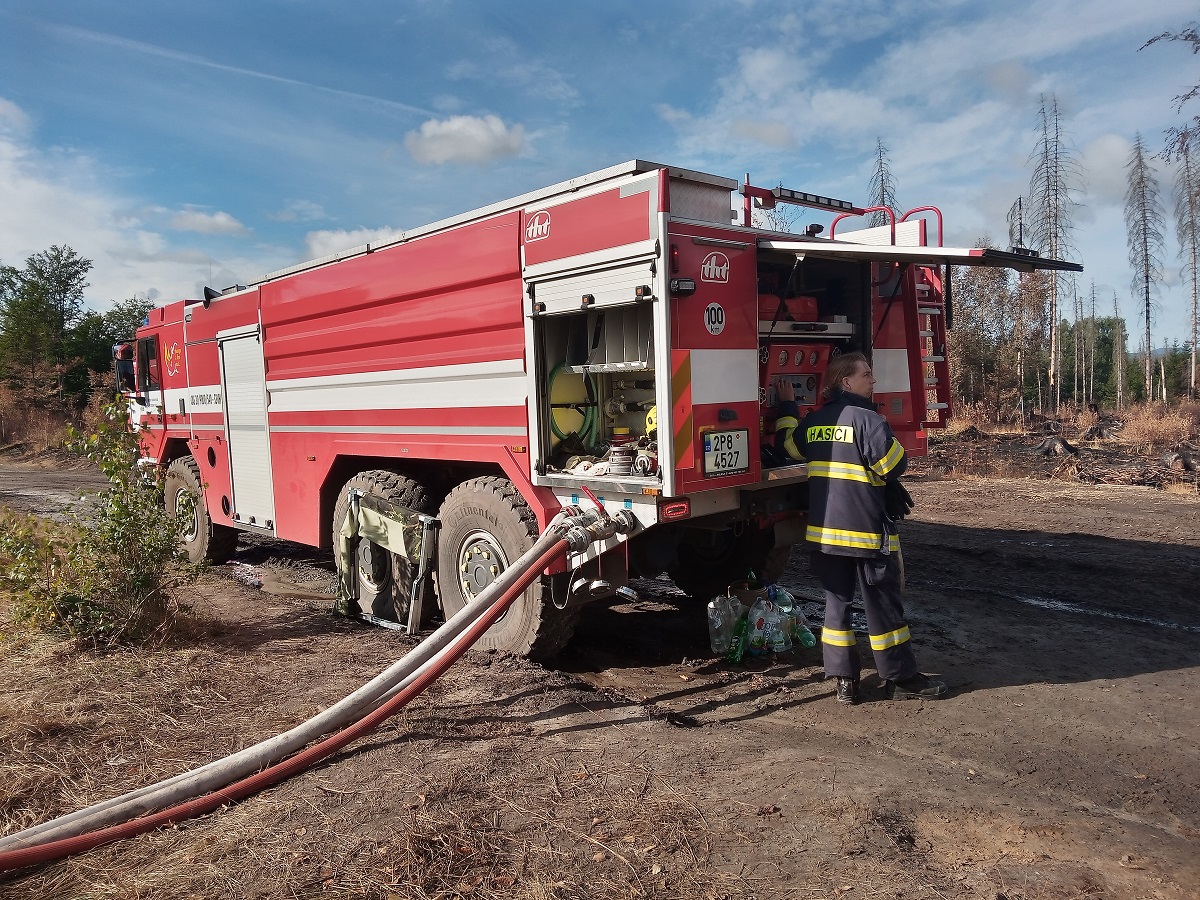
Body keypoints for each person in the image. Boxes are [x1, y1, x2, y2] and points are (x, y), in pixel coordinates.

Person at [775, 353, 946, 704]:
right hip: (866, 535)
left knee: (836, 607)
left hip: (823, 536)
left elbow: (788, 445)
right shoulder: (869, 420)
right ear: (846, 382)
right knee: (883, 608)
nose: (873, 381)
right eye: (866, 374)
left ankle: (845, 683)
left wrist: (787, 408)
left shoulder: (815, 422)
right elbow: (894, 465)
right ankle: (900, 679)